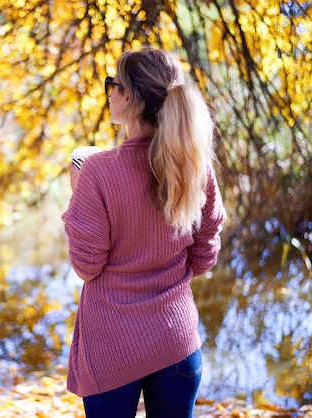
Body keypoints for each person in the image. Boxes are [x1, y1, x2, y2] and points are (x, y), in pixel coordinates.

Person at [61, 47, 227, 418]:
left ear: (130, 98)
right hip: (176, 339)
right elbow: (205, 252)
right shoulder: (194, 167)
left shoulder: (98, 172)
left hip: (112, 347)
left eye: (112, 84)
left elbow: (87, 266)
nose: (108, 92)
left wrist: (78, 199)